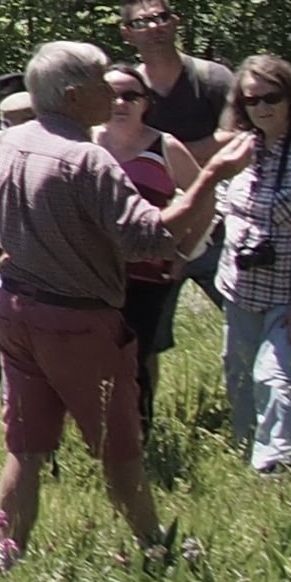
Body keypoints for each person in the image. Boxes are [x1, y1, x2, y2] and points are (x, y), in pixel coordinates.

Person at [0, 37, 238, 563]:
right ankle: (154, 548)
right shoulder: (88, 160)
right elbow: (155, 237)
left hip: (18, 314)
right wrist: (211, 177)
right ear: (73, 96)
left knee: (25, 448)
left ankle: (7, 557)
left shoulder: (10, 142)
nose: (112, 91)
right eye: (100, 82)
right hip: (80, 323)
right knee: (119, 449)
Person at [206, 50, 291, 475]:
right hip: (241, 290)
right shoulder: (240, 152)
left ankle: (285, 468)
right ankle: (248, 455)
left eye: (272, 97)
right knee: (243, 379)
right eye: (252, 100)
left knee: (278, 377)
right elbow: (220, 212)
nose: (262, 107)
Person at [97, 61, 190, 433]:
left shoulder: (165, 146)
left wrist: (182, 254)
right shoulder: (84, 142)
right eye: (111, 95)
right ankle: (93, 437)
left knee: (134, 360)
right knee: (87, 359)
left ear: (145, 102)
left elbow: (205, 199)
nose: (120, 103)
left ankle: (137, 437)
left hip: (147, 277)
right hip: (90, 275)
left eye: (130, 95)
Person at [121, 0, 236, 157]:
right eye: (141, 23)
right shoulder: (128, 90)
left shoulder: (213, 77)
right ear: (127, 34)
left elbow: (236, 135)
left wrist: (172, 157)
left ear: (175, 22)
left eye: (161, 18)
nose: (154, 27)